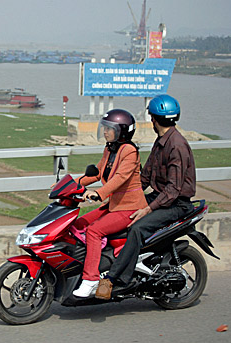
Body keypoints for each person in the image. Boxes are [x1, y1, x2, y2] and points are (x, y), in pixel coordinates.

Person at [95, 94, 196, 300]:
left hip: (176, 204)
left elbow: (173, 190)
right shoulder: (162, 142)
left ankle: (114, 280)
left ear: (153, 119)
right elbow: (145, 177)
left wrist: (147, 209)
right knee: (119, 215)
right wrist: (120, 198)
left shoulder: (176, 145)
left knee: (137, 228)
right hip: (161, 198)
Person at [72, 109, 148, 298]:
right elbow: (97, 173)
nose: (105, 132)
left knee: (94, 231)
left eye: (109, 129)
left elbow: (121, 177)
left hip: (129, 207)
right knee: (77, 224)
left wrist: (99, 193)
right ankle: (91, 261)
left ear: (122, 131)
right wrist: (70, 186)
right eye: (104, 128)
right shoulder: (110, 149)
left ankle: (90, 279)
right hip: (114, 205)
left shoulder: (129, 151)